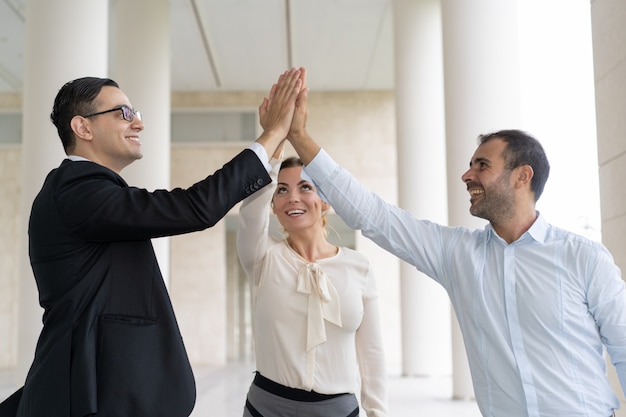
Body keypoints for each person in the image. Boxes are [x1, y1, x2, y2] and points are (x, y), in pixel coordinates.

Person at [286, 69, 626, 417]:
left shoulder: (585, 259)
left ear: (522, 176)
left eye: (482, 165)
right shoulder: (457, 254)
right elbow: (375, 216)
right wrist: (298, 136)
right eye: (470, 165)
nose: (467, 175)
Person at [0, 68, 303, 417]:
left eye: (137, 114)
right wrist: (273, 132)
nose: (138, 124)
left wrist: (275, 142)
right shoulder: (76, 190)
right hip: (92, 397)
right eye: (124, 114)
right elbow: (195, 207)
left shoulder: (87, 191)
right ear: (83, 128)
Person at [235, 91, 388, 416]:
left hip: (338, 410)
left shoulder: (357, 266)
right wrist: (274, 137)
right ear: (274, 206)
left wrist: (377, 413)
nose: (293, 198)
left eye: (306, 187)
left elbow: (372, 354)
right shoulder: (263, 257)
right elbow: (251, 213)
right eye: (282, 190)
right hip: (266, 407)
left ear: (326, 200)